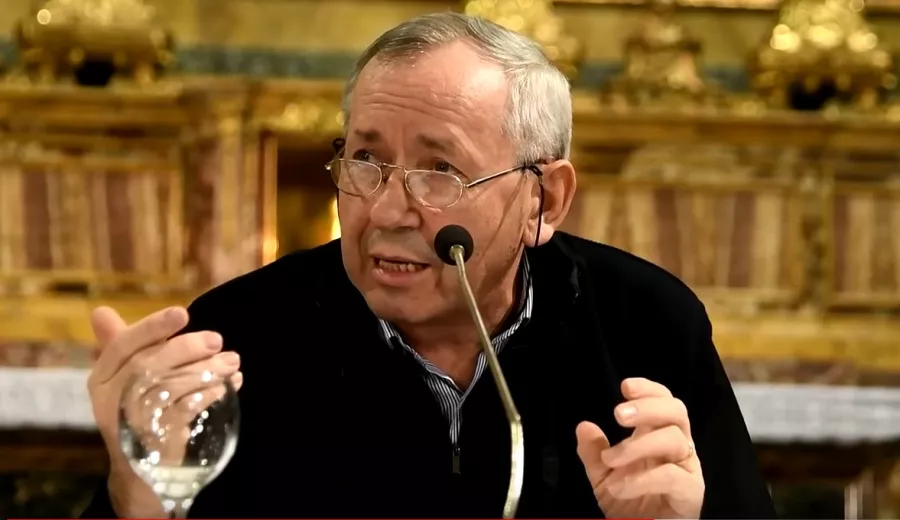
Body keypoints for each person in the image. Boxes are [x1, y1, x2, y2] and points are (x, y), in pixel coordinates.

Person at [81, 12, 776, 519]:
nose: (386, 210)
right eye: (365, 159)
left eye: (441, 170)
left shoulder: (647, 325)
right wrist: (138, 495)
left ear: (544, 199)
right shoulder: (237, 336)